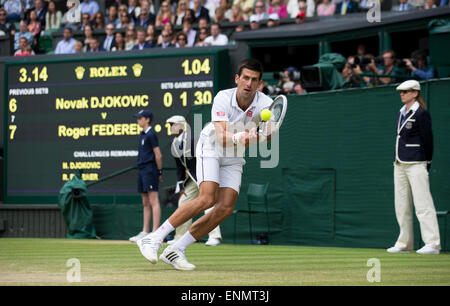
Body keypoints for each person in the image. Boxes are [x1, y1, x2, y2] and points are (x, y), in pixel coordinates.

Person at [137, 58, 273, 270]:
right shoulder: (222, 98)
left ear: (259, 84)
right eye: (245, 78)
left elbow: (269, 136)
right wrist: (245, 137)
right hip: (211, 147)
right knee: (207, 198)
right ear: (237, 79)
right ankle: (154, 238)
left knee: (226, 207)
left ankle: (176, 249)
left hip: (234, 156)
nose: (248, 83)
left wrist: (266, 133)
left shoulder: (266, 104)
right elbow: (221, 137)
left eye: (253, 80)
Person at [387, 80, 441, 255]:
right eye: (400, 92)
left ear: (415, 93)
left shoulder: (421, 113)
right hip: (399, 163)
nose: (401, 94)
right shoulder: (401, 112)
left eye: (405, 91)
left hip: (417, 162)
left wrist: (427, 161)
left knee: (423, 204)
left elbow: (428, 139)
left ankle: (433, 243)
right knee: (401, 205)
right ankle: (405, 243)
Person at [165, 115, 222, 246]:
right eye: (170, 125)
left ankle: (215, 236)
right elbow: (180, 167)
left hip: (205, 173)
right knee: (183, 203)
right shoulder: (173, 144)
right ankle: (179, 236)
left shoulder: (193, 139)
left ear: (181, 126)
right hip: (192, 177)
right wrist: (181, 187)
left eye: (173, 124)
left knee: (208, 203)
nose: (171, 128)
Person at [129, 110, 163, 243]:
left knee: (153, 200)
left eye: (140, 118)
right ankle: (145, 231)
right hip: (142, 169)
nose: (138, 120)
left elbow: (158, 155)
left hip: (150, 169)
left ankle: (155, 232)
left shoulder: (151, 134)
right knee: (145, 202)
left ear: (147, 119)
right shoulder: (142, 135)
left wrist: (159, 172)